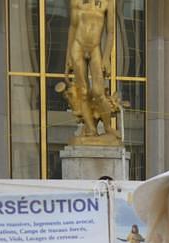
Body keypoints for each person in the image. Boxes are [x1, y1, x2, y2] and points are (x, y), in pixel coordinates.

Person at [65, 0, 117, 139]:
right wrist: (67, 59)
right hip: (78, 47)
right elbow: (73, 27)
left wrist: (106, 58)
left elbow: (111, 32)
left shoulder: (108, 2)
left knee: (98, 92)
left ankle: (107, 127)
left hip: (95, 48)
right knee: (82, 91)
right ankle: (90, 129)